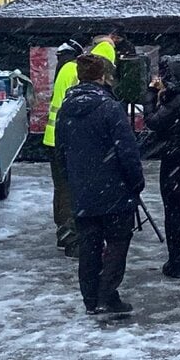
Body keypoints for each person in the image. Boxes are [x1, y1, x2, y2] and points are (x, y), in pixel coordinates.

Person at [56, 54, 144, 315]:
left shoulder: (66, 108)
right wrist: (135, 181)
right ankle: (107, 293)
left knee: (89, 245)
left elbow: (60, 150)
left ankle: (90, 298)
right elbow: (126, 150)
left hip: (83, 188)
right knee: (118, 242)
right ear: (102, 77)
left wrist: (73, 179)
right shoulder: (109, 107)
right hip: (113, 187)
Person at [43, 39, 116, 258]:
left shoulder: (66, 68)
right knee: (70, 190)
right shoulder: (77, 72)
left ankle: (65, 234)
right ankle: (72, 239)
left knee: (62, 189)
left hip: (54, 139)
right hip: (67, 141)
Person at [145, 54, 180, 279]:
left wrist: (150, 93)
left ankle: (175, 261)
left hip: (175, 157)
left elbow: (153, 121)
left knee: (172, 209)